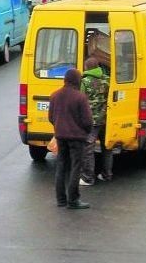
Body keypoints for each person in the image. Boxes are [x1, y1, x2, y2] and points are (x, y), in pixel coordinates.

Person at [48, 68, 93, 209]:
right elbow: (88, 121)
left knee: (61, 166)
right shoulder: (80, 97)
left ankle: (61, 200)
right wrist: (86, 132)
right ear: (77, 80)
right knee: (75, 167)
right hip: (77, 138)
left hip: (60, 136)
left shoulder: (54, 96)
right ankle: (73, 200)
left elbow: (51, 117)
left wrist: (59, 127)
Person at [79, 57, 112, 186]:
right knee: (107, 146)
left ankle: (88, 177)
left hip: (91, 121)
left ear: (87, 68)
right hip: (107, 119)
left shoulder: (85, 82)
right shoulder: (107, 80)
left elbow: (80, 101)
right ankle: (107, 174)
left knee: (88, 149)